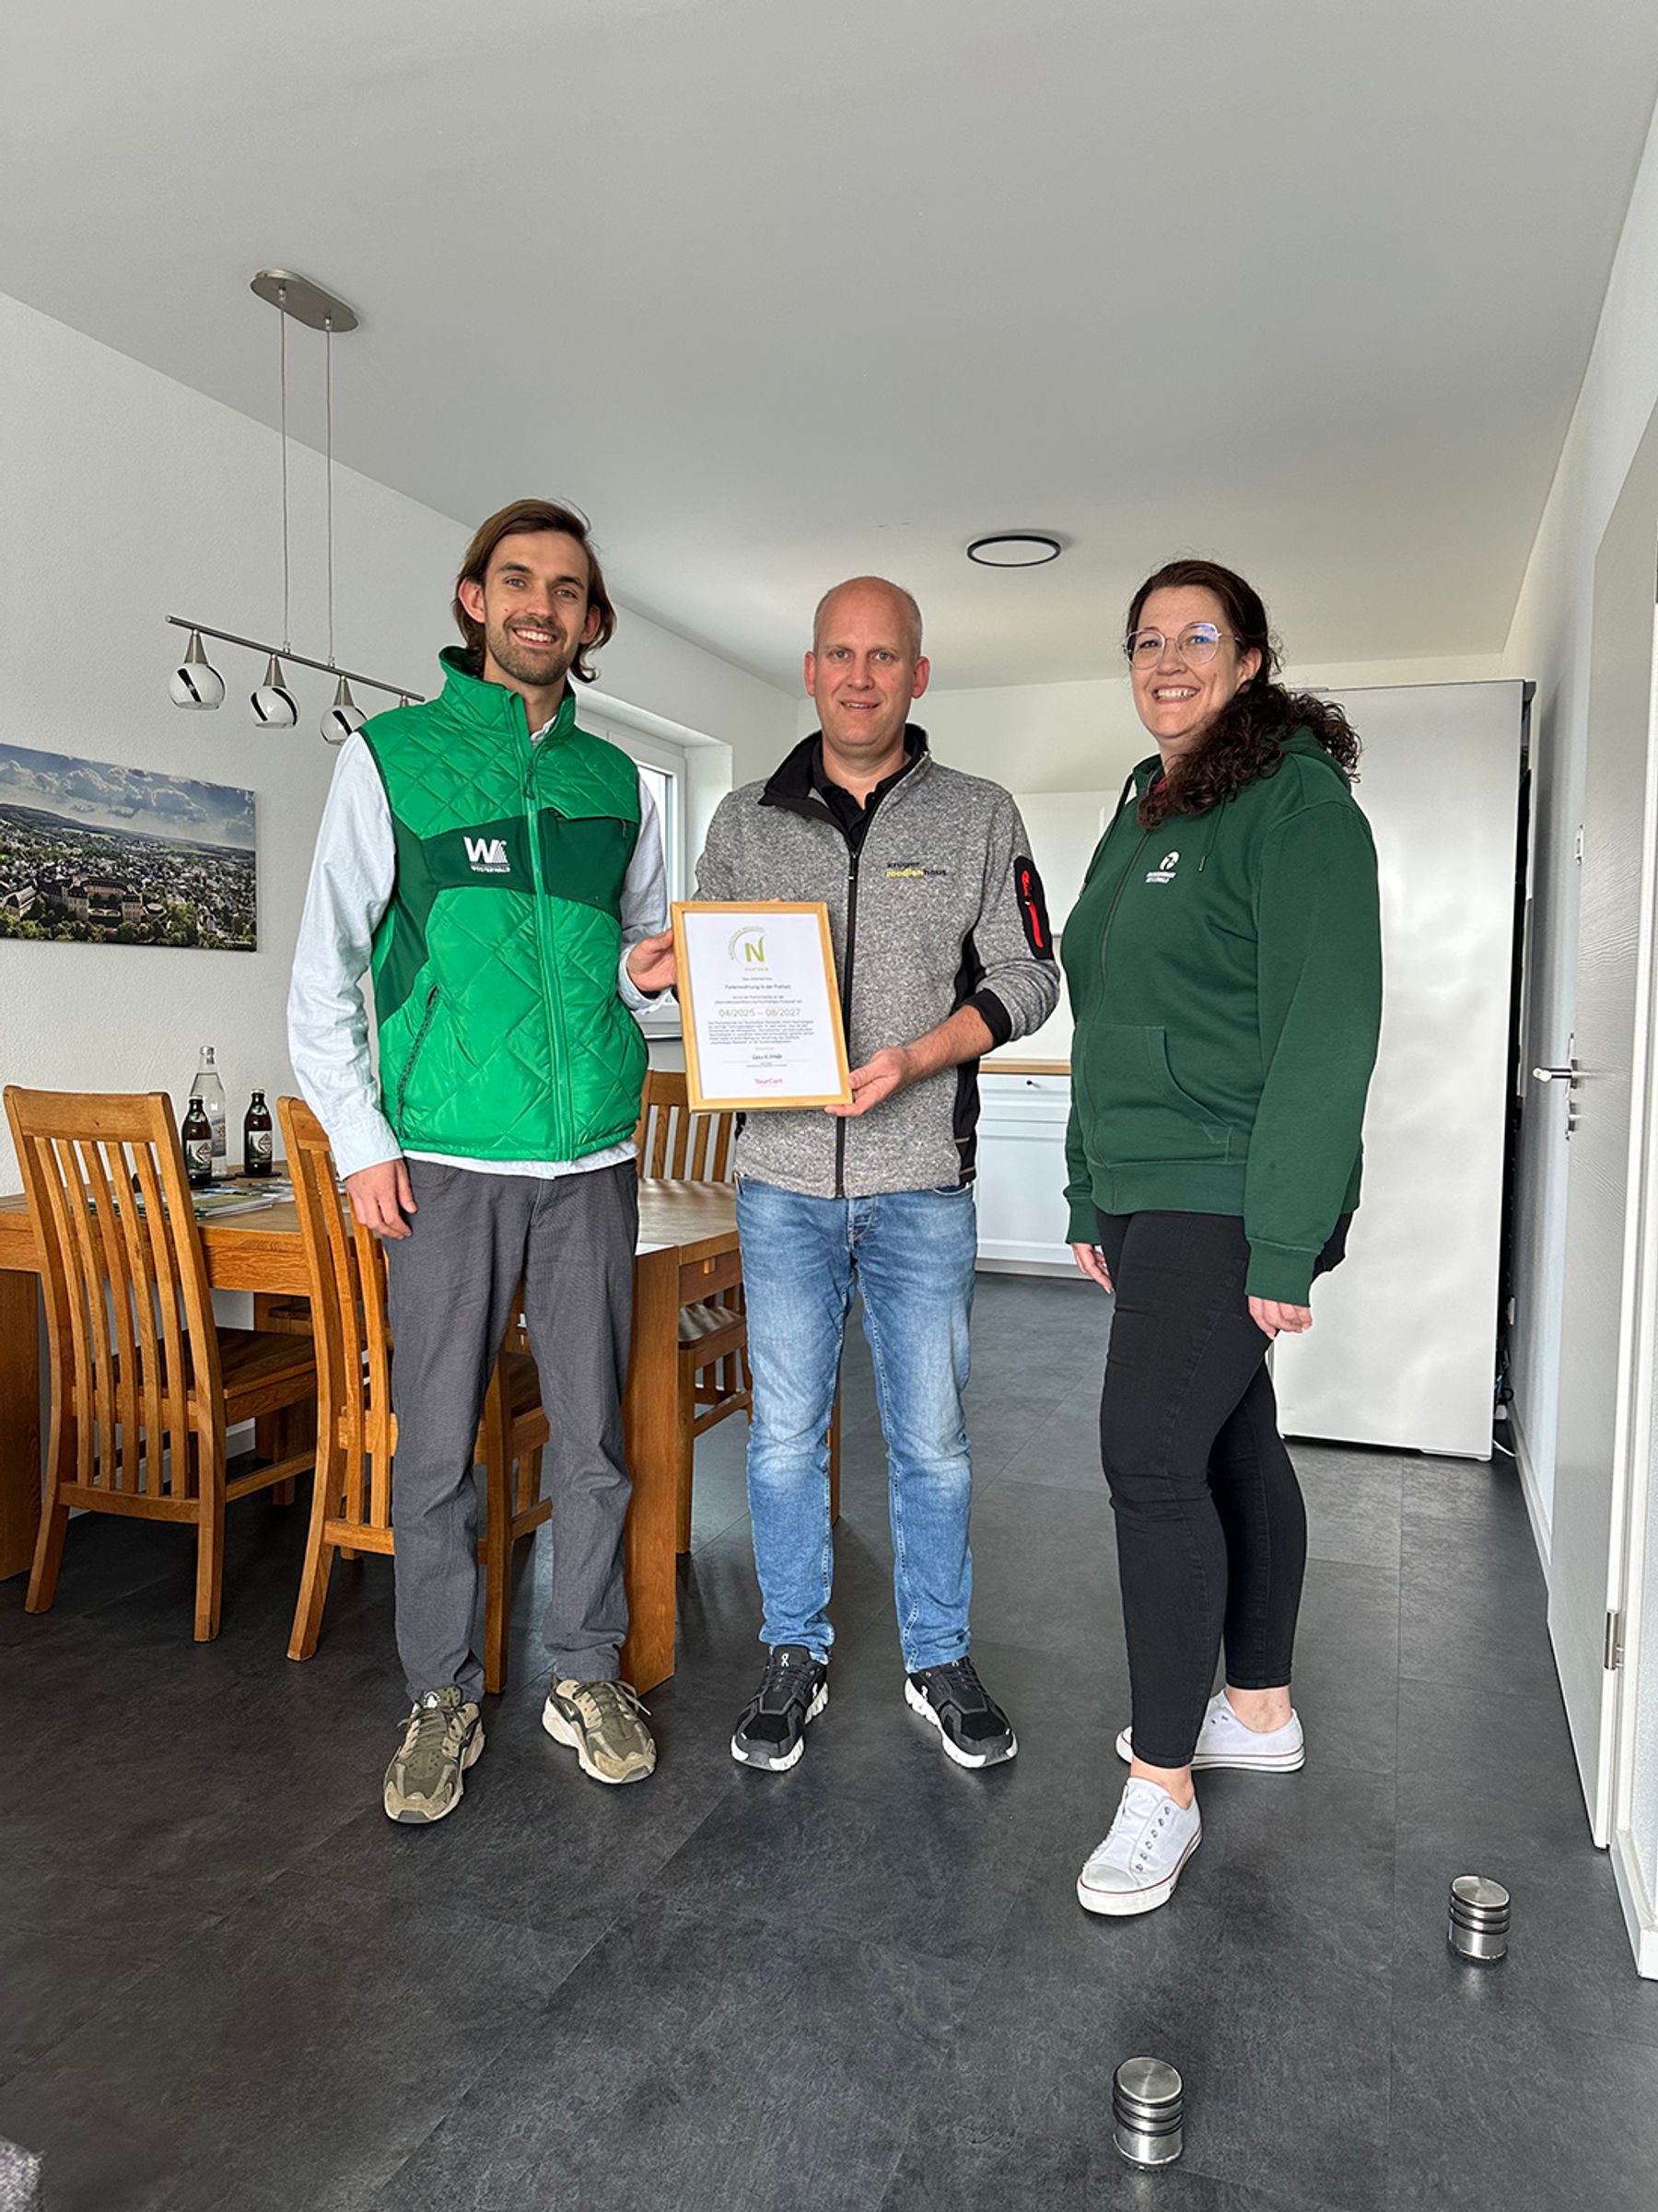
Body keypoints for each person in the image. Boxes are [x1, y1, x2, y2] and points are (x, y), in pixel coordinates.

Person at [288, 497, 676, 1824]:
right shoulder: (388, 759)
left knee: (593, 1440)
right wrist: (358, 1138)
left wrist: (656, 972)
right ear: (472, 599)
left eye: (567, 590)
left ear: (591, 620)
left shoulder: (618, 784)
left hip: (591, 1162)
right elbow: (325, 967)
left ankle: (584, 1669)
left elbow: (634, 969)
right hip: (442, 1159)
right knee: (440, 1447)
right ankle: (439, 1694)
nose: (541, 607)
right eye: (518, 582)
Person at [688, 576, 1060, 1772]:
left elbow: (1032, 975)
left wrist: (918, 1056)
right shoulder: (745, 821)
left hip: (919, 1183)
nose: (860, 676)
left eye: (883, 656)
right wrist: (665, 970)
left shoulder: (979, 813)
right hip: (782, 1181)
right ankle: (793, 1647)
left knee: (934, 1439)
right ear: (810, 670)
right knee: (784, 1433)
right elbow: (710, 965)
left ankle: (936, 1654)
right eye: (840, 655)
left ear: (918, 676)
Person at [1064, 557, 1382, 1916]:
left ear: (1252, 659)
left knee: (1145, 1451)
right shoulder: (1140, 805)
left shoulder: (1295, 803)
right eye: (1146, 639)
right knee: (1228, 1437)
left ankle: (1162, 1780)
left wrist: (1286, 1240)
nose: (1168, 659)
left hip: (1228, 1186)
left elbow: (1328, 1028)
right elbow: (1104, 1011)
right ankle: (1255, 1706)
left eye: (1199, 635)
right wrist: (1088, 1189)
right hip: (1144, 1185)